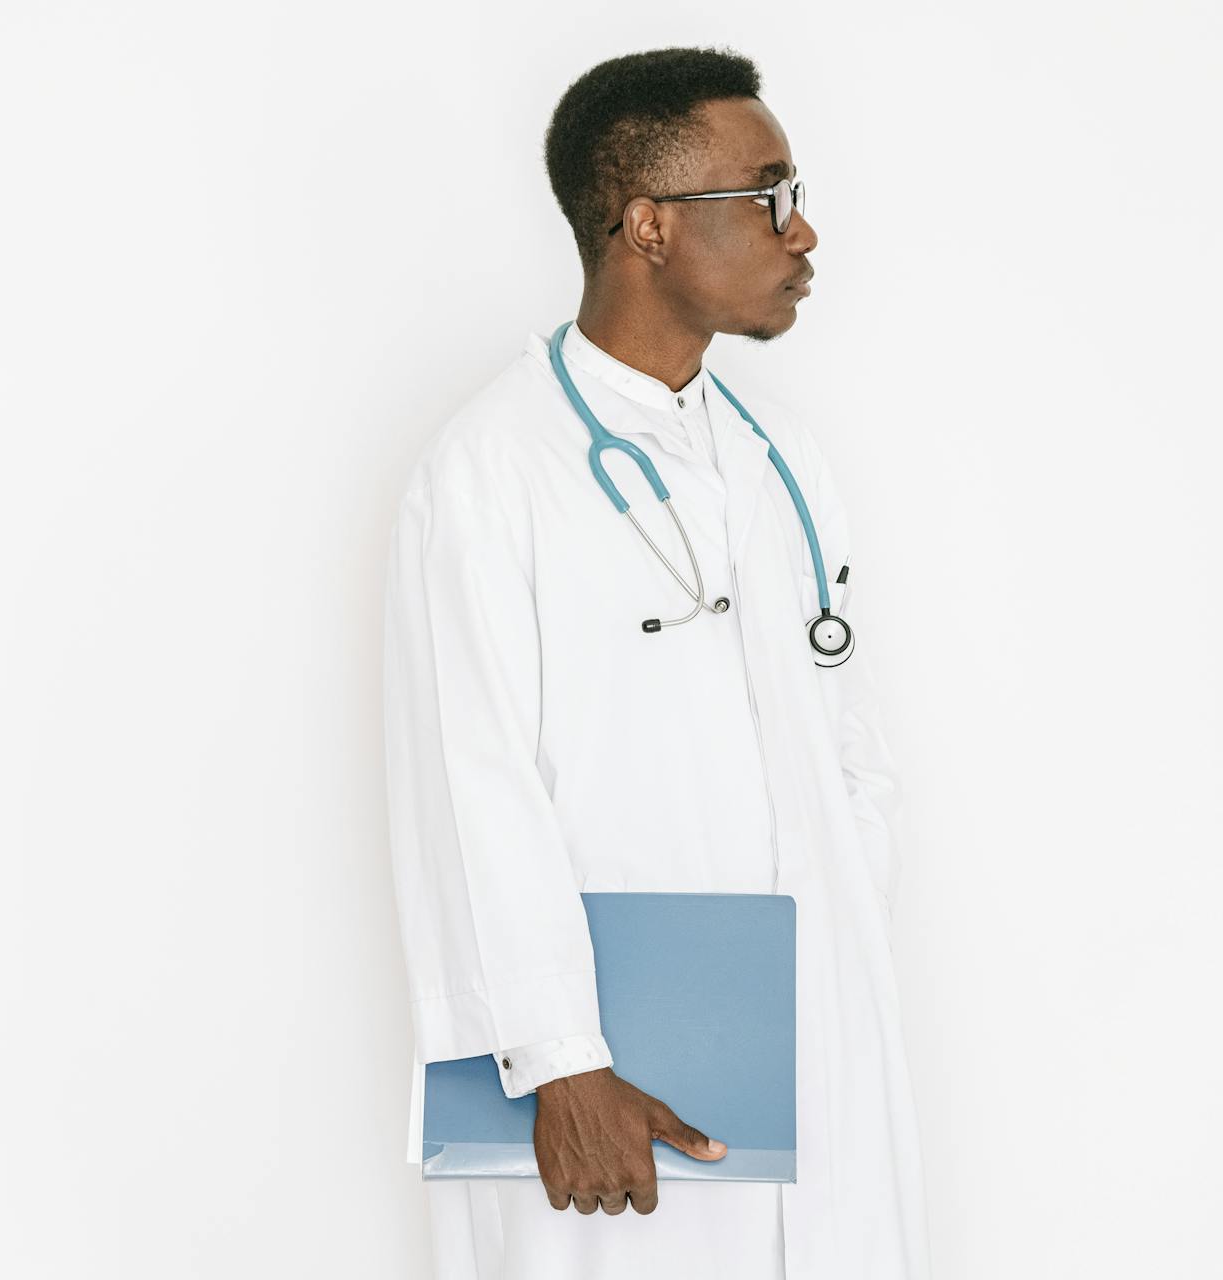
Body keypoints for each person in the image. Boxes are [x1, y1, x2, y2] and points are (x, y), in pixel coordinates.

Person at [381, 46, 932, 1278]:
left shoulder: (777, 459)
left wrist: (841, 927)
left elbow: (849, 743)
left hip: (801, 1030)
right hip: (603, 1076)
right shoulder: (491, 472)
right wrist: (560, 1055)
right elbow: (470, 785)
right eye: (770, 195)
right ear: (647, 225)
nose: (805, 232)